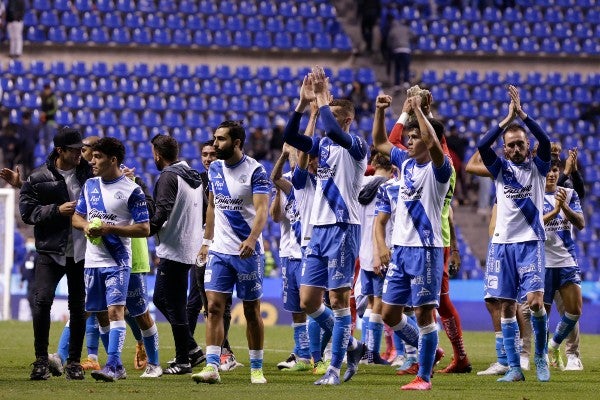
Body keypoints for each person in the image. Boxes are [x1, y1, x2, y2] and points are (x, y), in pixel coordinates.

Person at [283, 66, 368, 385]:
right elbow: (291, 138)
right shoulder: (323, 147)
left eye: (330, 114)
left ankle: (334, 368)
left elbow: (330, 130)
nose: (323, 119)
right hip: (318, 229)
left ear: (346, 119)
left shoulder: (356, 146)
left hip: (344, 226)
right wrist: (302, 104)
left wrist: (321, 99)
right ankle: (353, 345)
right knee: (308, 301)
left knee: (337, 299)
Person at [373, 93, 451, 390]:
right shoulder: (405, 163)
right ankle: (428, 348)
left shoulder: (440, 170)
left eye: (415, 137)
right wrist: (384, 112)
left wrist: (419, 109)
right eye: (409, 136)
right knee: (389, 313)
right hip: (402, 249)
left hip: (426, 250)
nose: (409, 140)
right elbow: (380, 143)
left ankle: (425, 377)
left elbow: (433, 144)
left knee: (422, 313)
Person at [477, 85, 551, 383]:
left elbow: (545, 140)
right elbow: (483, 147)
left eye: (521, 144)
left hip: (530, 242)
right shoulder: (499, 169)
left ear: (528, 147)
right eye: (511, 145)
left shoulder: (539, 167)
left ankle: (541, 358)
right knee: (506, 305)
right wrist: (505, 122)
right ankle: (514, 368)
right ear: (505, 149)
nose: (516, 149)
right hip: (502, 244)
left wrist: (523, 116)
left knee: (534, 302)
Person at [192, 120, 270, 385]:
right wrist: (206, 240)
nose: (215, 144)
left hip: (247, 253)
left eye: (221, 139)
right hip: (219, 251)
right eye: (215, 138)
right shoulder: (214, 168)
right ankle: (212, 366)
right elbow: (213, 206)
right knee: (213, 307)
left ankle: (256, 368)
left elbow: (262, 210)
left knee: (251, 310)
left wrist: (251, 238)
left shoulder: (256, 171)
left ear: (236, 143)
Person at [72, 137, 150, 382]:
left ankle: (115, 364)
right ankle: (113, 364)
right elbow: (76, 217)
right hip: (92, 260)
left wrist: (110, 229)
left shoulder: (132, 190)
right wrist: (86, 227)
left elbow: (144, 228)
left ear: (113, 160)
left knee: (116, 310)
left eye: (97, 157)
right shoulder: (90, 185)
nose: (92, 161)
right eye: (92, 156)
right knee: (101, 314)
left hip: (118, 260)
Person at [19, 128, 91, 380]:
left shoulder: (89, 174)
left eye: (81, 149)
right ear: (60, 150)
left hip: (81, 251)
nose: (80, 154)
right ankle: (40, 359)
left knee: (79, 307)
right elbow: (27, 213)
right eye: (74, 150)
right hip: (50, 250)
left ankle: (73, 362)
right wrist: (56, 211)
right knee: (41, 302)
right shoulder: (38, 177)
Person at [148, 134, 205, 375]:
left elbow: (161, 212)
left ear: (157, 154)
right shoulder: (193, 176)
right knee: (176, 304)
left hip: (173, 249)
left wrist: (146, 230)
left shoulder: (168, 176)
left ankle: (187, 352)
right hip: (188, 247)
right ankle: (188, 353)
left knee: (162, 300)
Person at [270, 144, 312, 371]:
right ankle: (302, 354)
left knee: (314, 303)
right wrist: (278, 191)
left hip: (308, 252)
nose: (295, 154)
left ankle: (323, 352)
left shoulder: (311, 180)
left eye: (298, 151)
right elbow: (276, 217)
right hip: (288, 253)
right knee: (296, 308)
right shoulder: (285, 181)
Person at [541, 157, 585, 370]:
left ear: (559, 172)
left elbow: (581, 223)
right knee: (541, 315)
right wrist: (555, 211)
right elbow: (533, 225)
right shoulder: (532, 195)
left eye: (555, 170)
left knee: (575, 310)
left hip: (567, 260)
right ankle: (541, 358)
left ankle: (555, 343)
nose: (551, 174)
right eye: (547, 170)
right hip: (542, 263)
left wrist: (564, 207)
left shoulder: (569, 193)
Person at [356, 151, 394, 365]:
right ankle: (371, 353)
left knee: (371, 302)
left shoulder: (361, 184)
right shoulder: (389, 186)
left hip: (364, 250)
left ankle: (366, 352)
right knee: (379, 303)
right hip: (381, 250)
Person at [387, 19, 413, 90]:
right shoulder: (406, 29)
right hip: (406, 50)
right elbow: (413, 36)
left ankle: (397, 84)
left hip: (397, 50)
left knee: (397, 68)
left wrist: (392, 48)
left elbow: (389, 41)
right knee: (406, 67)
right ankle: (406, 83)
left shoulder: (393, 30)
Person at [16, 111, 39, 179]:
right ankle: (32, 179)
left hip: (25, 148)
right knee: (31, 165)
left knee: (25, 165)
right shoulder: (33, 126)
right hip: (32, 147)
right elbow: (37, 138)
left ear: (23, 118)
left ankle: (26, 179)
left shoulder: (22, 126)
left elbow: (21, 139)